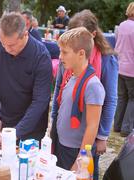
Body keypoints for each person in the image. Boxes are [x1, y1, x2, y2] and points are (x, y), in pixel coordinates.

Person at [51, 10, 118, 180]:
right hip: (63, 140)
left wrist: (100, 138)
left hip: (80, 145)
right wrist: (54, 126)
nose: (61, 57)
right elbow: (60, 92)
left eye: (64, 52)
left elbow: (108, 101)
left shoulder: (100, 69)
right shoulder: (69, 68)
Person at [0, 12, 52, 141]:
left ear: (25, 34)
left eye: (11, 45)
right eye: (3, 43)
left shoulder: (41, 57)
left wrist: (17, 132)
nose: (6, 49)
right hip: (5, 121)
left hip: (33, 127)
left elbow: (40, 101)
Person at [52, 27, 105, 171]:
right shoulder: (71, 76)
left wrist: (81, 161)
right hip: (62, 145)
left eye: (65, 52)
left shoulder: (93, 85)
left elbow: (92, 126)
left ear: (81, 53)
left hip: (75, 151)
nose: (60, 57)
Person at [114, 2, 134, 137]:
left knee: (122, 97)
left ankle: (117, 125)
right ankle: (126, 129)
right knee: (132, 99)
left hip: (120, 66)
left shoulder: (121, 25)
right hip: (132, 68)